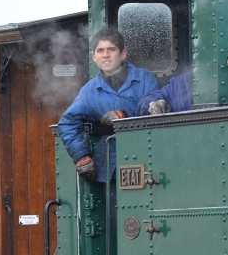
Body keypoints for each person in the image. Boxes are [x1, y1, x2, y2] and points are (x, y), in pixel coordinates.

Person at [58, 28, 159, 182]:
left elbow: (155, 112)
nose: (105, 55)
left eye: (111, 49)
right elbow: (67, 122)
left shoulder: (145, 78)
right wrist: (81, 155)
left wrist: (125, 116)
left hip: (147, 158)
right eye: (100, 51)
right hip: (108, 167)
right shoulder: (89, 91)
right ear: (94, 57)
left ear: (123, 54)